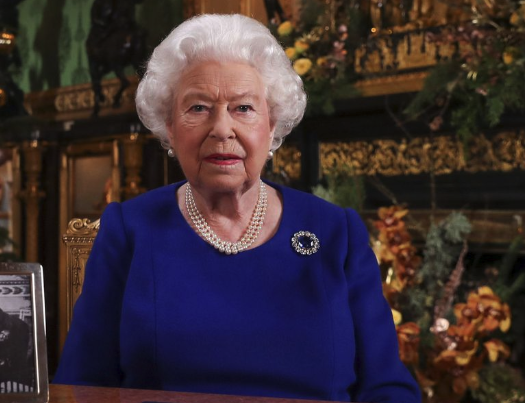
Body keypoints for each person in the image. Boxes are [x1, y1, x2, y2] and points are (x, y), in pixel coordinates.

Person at [54, 14, 421, 403]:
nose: (222, 129)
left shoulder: (335, 231)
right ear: (169, 126)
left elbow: (386, 386)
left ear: (272, 123)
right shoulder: (129, 229)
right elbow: (82, 384)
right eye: (198, 108)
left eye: (243, 107)